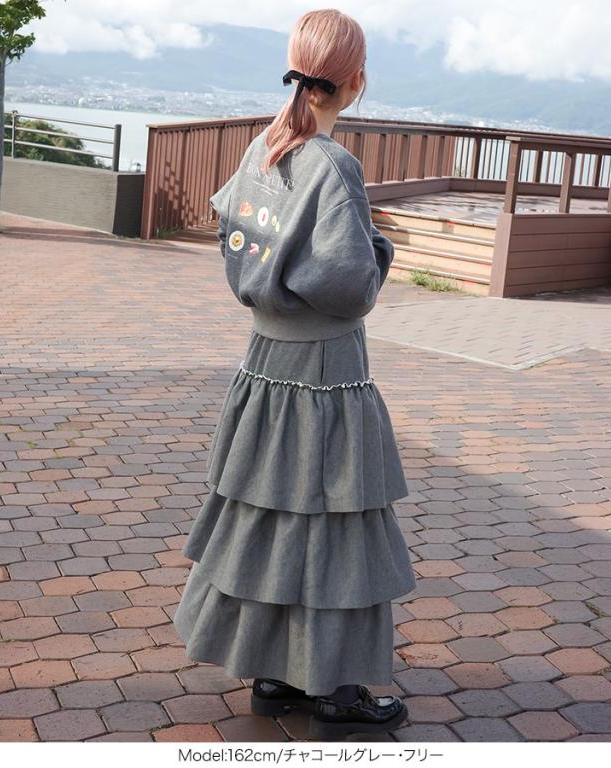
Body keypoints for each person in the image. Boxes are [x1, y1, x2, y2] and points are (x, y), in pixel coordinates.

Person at [173, 8, 417, 741]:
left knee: (272, 514)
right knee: (334, 519)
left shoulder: (265, 148)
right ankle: (337, 691)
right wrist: (378, 248)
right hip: (326, 369)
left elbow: (235, 239)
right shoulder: (334, 165)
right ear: (356, 80)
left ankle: (276, 674)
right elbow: (348, 284)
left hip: (264, 363)